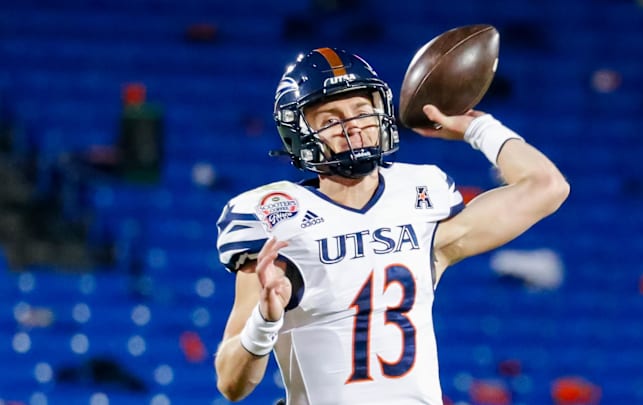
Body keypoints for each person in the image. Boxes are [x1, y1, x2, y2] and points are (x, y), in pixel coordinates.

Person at [214, 47, 569, 404]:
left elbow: (547, 187)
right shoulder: (279, 222)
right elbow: (231, 384)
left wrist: (478, 127)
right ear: (300, 135)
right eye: (331, 119)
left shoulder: (420, 204)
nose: (352, 125)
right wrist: (265, 319)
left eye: (362, 111)